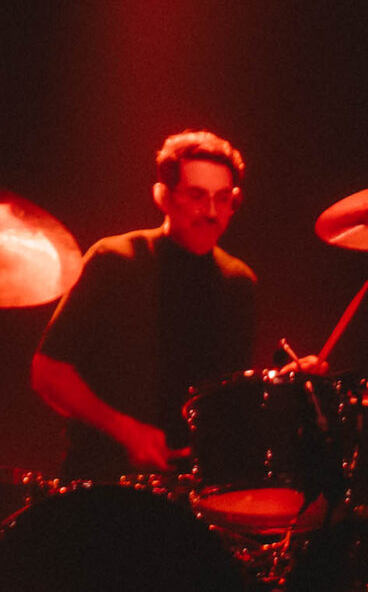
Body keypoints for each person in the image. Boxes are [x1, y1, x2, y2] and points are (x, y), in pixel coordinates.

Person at [30, 130, 258, 480]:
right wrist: (126, 431)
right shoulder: (115, 259)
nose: (212, 212)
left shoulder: (238, 282)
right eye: (197, 196)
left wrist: (287, 387)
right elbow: (48, 372)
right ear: (162, 196)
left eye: (223, 198)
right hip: (101, 481)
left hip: (197, 486)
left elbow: (232, 400)